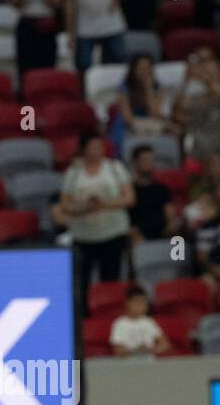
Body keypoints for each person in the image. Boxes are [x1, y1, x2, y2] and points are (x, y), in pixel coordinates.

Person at [58, 133, 135, 315]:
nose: (96, 151)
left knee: (111, 280)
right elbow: (65, 204)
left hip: (113, 234)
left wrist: (104, 204)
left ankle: (111, 314)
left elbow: (130, 198)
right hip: (84, 236)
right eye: (92, 147)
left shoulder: (115, 168)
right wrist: (86, 207)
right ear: (83, 150)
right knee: (82, 282)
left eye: (99, 147)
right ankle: (84, 318)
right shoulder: (74, 173)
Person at [128, 144, 175, 243]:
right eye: (145, 160)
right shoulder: (129, 190)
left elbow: (170, 214)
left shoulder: (162, 189)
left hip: (162, 233)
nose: (150, 164)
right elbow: (127, 221)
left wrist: (170, 228)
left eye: (152, 160)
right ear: (135, 163)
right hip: (139, 236)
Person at [109, 287, 169, 357]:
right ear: (128, 303)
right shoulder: (120, 323)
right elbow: (118, 350)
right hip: (128, 364)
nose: (141, 306)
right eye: (138, 302)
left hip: (148, 363)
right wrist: (136, 351)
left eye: (144, 302)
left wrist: (150, 350)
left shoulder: (149, 322)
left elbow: (165, 344)